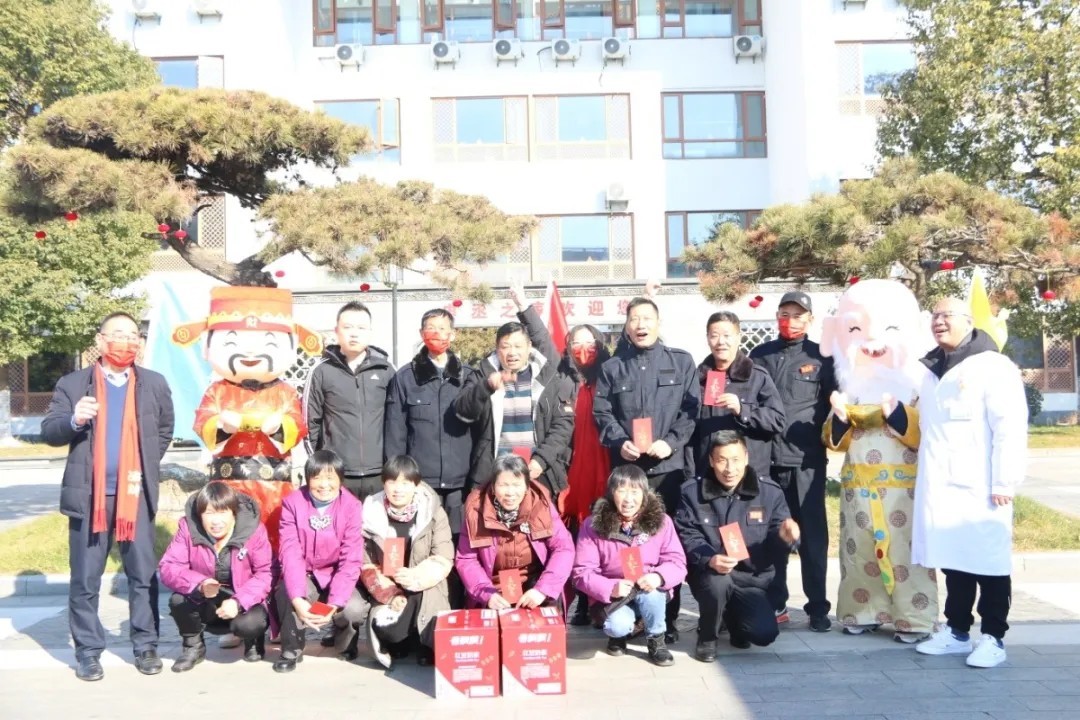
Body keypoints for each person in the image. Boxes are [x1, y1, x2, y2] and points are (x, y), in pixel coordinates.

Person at [41, 312, 175, 682]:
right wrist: (75, 420)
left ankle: (145, 645)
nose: (126, 342)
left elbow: (164, 431)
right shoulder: (73, 384)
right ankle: (88, 652)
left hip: (136, 494)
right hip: (90, 498)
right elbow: (49, 431)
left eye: (133, 335)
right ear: (100, 341)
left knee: (142, 575)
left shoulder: (153, 383)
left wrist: (143, 464)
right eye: (118, 334)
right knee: (85, 579)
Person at [911, 297, 1028, 668]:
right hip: (941, 485)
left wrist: (1004, 480)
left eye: (947, 315)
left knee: (989, 562)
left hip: (982, 485)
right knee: (953, 560)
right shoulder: (931, 368)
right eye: (935, 316)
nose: (939, 322)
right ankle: (957, 631)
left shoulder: (993, 366)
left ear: (968, 321)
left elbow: (1010, 426)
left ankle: (993, 636)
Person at [820, 279, 938, 642]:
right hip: (858, 488)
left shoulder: (919, 385)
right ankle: (861, 611)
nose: (872, 340)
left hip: (904, 489)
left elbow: (924, 433)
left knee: (906, 554)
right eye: (855, 329)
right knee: (859, 553)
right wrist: (840, 417)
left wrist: (897, 413)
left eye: (890, 328)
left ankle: (915, 618)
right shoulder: (851, 387)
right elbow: (833, 441)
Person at [593, 296, 699, 642]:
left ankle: (666, 619)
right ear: (626, 325)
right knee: (625, 541)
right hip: (628, 472)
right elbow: (602, 413)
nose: (641, 325)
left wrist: (672, 441)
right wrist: (618, 440)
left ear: (658, 322)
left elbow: (691, 410)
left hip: (668, 468)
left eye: (647, 318)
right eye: (634, 319)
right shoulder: (612, 368)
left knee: (666, 543)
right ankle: (627, 613)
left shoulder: (681, 362)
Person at [506, 280, 611, 626]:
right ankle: (577, 597)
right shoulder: (561, 375)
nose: (583, 350)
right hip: (569, 467)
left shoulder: (612, 376)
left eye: (589, 343)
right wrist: (524, 306)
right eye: (575, 343)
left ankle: (602, 599)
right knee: (574, 532)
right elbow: (540, 338)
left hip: (606, 464)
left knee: (604, 530)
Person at [749, 290, 835, 631]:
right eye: (784, 314)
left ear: (810, 319)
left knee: (812, 537)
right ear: (776, 317)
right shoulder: (760, 355)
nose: (790, 321)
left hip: (805, 462)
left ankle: (817, 608)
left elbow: (834, 406)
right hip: (766, 462)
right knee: (772, 535)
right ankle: (776, 603)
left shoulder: (822, 357)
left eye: (798, 315)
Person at [675, 431, 800, 662]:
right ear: (711, 461)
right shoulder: (691, 492)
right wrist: (709, 559)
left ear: (746, 458)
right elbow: (687, 534)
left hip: (751, 579)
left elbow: (777, 537)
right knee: (718, 583)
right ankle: (708, 637)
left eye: (735, 460)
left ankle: (733, 621)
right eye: (722, 460)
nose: (729, 468)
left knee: (764, 634)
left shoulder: (769, 492)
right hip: (711, 575)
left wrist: (786, 537)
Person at [572, 466, 687, 667]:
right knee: (617, 626)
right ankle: (619, 636)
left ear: (644, 494)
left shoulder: (662, 522)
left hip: (649, 588)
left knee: (652, 595)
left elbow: (677, 561)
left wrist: (658, 577)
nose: (628, 499)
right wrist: (610, 587)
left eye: (634, 491)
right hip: (614, 595)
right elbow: (582, 572)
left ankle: (656, 639)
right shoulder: (592, 525)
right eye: (622, 490)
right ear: (611, 493)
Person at [454, 318, 576, 500]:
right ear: (497, 348)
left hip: (536, 471)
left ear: (529, 347)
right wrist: (486, 387)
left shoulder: (548, 377)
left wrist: (541, 460)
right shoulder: (482, 374)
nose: (512, 352)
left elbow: (563, 425)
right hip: (493, 472)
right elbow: (462, 411)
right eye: (506, 346)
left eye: (518, 346)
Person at [159, 481, 273, 672]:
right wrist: (199, 583)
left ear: (233, 512)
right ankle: (193, 647)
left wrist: (238, 601)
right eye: (209, 513)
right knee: (178, 600)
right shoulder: (187, 528)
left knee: (251, 623)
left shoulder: (254, 530)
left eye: (222, 512)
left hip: (243, 600)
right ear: (200, 514)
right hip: (206, 598)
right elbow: (169, 566)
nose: (216, 521)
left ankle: (253, 640)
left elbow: (265, 573)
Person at [384, 308, 477, 537]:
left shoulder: (468, 377)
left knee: (457, 539)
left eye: (442, 329)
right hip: (420, 483)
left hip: (459, 483)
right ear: (421, 333)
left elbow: (480, 432)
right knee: (420, 539)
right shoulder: (405, 377)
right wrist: (398, 479)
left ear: (453, 334)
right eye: (431, 329)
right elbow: (396, 433)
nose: (437, 334)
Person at [274, 450, 368, 672]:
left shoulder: (352, 506)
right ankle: (291, 649)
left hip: (336, 574)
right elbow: (290, 552)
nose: (324, 485)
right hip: (305, 573)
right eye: (317, 478)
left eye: (330, 477)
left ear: (340, 479)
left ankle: (344, 642)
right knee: (287, 592)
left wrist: (334, 603)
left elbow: (351, 558)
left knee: (353, 608)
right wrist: (298, 598)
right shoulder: (292, 503)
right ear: (308, 479)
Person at [360, 455, 453, 669]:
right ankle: (400, 639)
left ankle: (425, 645)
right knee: (390, 631)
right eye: (392, 481)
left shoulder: (433, 512)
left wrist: (416, 577)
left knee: (429, 609)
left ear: (416, 485)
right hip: (389, 586)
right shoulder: (370, 513)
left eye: (405, 482)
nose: (398, 489)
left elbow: (443, 556)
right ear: (383, 483)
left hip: (425, 582)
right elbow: (365, 562)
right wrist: (391, 593)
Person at [456, 455, 575, 611]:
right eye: (503, 485)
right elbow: (466, 559)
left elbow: (563, 548)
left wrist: (542, 590)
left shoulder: (541, 505)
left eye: (516, 485)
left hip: (535, 583)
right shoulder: (475, 509)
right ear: (493, 486)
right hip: (492, 587)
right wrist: (487, 595)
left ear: (527, 486)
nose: (510, 492)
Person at [304, 301, 394, 500]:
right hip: (337, 472)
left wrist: (393, 463)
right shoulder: (321, 371)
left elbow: (396, 420)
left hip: (379, 471)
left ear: (370, 332)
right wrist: (319, 463)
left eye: (361, 328)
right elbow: (310, 422)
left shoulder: (386, 370)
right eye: (348, 327)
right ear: (337, 331)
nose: (354, 334)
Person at [690, 311, 785, 481]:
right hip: (708, 474)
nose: (721, 342)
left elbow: (777, 420)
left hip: (749, 474)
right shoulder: (697, 379)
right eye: (714, 336)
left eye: (727, 335)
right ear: (707, 339)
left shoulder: (757, 377)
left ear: (738, 338)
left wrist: (743, 410)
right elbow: (688, 429)